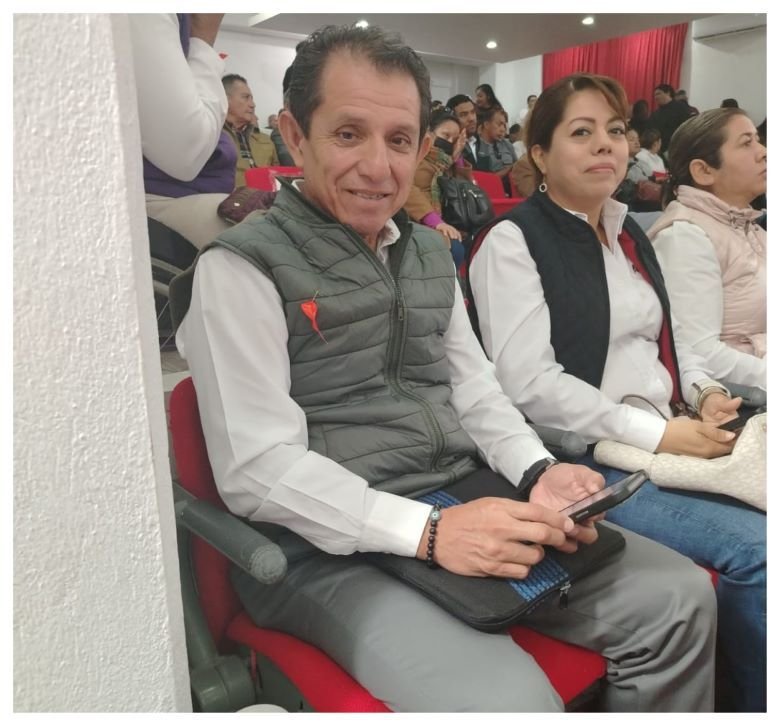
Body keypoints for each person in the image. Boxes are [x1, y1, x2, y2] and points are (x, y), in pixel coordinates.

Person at [171, 28, 716, 713]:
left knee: (678, 600)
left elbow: (474, 388)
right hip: (322, 546)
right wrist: (429, 533)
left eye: (400, 140)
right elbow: (258, 469)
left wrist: (536, 472)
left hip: (461, 493)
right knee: (507, 703)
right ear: (294, 135)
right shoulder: (241, 269)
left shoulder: (429, 253)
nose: (379, 167)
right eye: (348, 134)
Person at [468, 71, 765, 713]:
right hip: (588, 459)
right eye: (582, 132)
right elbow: (529, 385)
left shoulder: (627, 233)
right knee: (759, 551)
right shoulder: (514, 240)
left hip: (669, 430)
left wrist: (704, 392)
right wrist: (659, 433)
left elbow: (671, 341)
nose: (606, 144)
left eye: (615, 129)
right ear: (540, 153)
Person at [647, 108, 766, 389]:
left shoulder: (750, 227)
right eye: (746, 143)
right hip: (739, 399)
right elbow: (699, 353)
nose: (763, 152)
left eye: (758, 140)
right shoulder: (685, 237)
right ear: (703, 171)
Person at [131, 13, 236, 250]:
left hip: (185, 193)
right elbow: (186, 153)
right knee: (283, 240)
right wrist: (204, 38)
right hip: (162, 196)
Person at [404, 108, 469, 266]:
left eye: (454, 140)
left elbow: (463, 189)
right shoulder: (415, 157)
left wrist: (457, 158)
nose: (449, 142)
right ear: (429, 133)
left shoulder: (446, 163)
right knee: (455, 249)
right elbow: (408, 189)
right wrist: (434, 220)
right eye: (446, 136)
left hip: (446, 220)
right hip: (415, 221)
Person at [222, 73, 279, 187]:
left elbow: (279, 175)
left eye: (252, 99)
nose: (253, 105)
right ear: (225, 99)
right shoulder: (213, 138)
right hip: (230, 197)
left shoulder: (266, 139)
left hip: (269, 196)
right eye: (245, 97)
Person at [475, 107, 516, 191]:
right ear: (486, 124)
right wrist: (508, 169)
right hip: (489, 192)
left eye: (504, 125)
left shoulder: (507, 144)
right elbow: (484, 180)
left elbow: (517, 167)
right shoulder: (477, 146)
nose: (503, 129)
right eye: (499, 124)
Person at [647, 84, 689, 153]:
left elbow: (686, 128)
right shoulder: (655, 114)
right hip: (659, 150)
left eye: (658, 94)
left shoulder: (681, 108)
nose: (656, 97)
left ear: (668, 93)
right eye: (655, 95)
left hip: (677, 148)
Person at [446, 93, 479, 167]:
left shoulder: (482, 142)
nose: (471, 118)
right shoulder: (448, 146)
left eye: (473, 112)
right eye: (464, 115)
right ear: (452, 119)